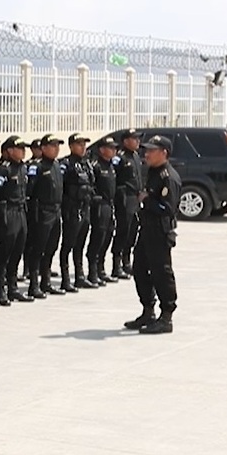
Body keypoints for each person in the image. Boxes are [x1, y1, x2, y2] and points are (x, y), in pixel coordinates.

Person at [126, 136, 180, 334]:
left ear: (164, 153)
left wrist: (147, 200)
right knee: (139, 269)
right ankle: (148, 309)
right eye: (146, 150)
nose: (146, 154)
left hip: (160, 230)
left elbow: (167, 208)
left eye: (151, 150)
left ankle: (166, 317)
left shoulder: (168, 177)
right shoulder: (152, 172)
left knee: (161, 273)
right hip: (146, 228)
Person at [0, 137, 31, 306]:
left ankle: (13, 287)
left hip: (21, 211)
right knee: (3, 252)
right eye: (19, 148)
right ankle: (1, 289)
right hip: (7, 212)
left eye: (23, 148)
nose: (23, 151)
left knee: (17, 250)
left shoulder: (22, 167)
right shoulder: (3, 169)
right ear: (9, 150)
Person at [25, 134, 65, 298]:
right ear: (43, 148)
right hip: (42, 211)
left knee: (51, 247)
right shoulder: (37, 166)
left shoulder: (56, 165)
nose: (56, 148)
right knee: (38, 248)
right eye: (52, 145)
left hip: (55, 211)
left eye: (57, 145)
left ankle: (46, 282)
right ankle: (34, 284)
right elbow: (30, 191)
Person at [59, 133, 95, 292]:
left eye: (84, 144)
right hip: (72, 209)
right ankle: (65, 279)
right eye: (79, 144)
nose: (83, 147)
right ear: (72, 146)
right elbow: (61, 187)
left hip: (85, 206)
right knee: (68, 244)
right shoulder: (66, 164)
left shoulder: (86, 164)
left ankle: (79, 276)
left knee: (80, 243)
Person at [111, 129, 144, 279]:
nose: (137, 141)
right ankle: (116, 264)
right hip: (124, 198)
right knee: (123, 230)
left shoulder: (136, 156)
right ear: (125, 141)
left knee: (133, 231)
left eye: (138, 139)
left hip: (136, 198)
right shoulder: (120, 158)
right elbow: (113, 179)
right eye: (134, 139)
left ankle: (126, 261)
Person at [87, 137, 119, 286]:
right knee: (98, 237)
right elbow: (91, 186)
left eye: (114, 148)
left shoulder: (111, 165)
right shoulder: (96, 166)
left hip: (109, 204)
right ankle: (92, 271)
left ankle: (101, 269)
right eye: (110, 148)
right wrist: (95, 198)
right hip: (99, 206)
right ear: (101, 150)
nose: (114, 150)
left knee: (108, 235)